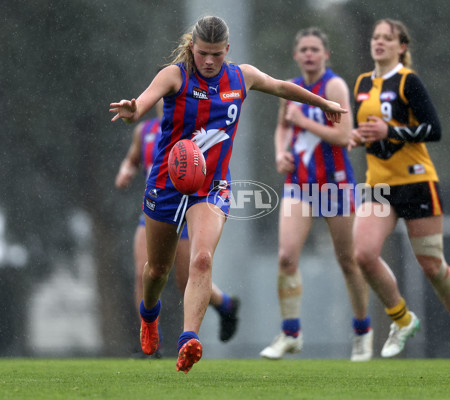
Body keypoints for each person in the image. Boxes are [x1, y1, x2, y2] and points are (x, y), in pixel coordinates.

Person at [109, 15, 347, 374]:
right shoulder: (175, 75)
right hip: (166, 183)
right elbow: (142, 104)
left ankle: (188, 339)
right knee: (157, 269)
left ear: (227, 51)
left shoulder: (241, 76)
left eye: (216, 54)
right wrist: (132, 112)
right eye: (203, 53)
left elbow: (282, 87)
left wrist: (323, 104)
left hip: (213, 185)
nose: (209, 61)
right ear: (192, 48)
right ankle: (149, 314)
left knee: (201, 260)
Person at [349, 19, 450, 362]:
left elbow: (433, 130)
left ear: (401, 47)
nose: (378, 42)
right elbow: (365, 129)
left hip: (417, 183)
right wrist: (356, 136)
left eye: (387, 38)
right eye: (375, 36)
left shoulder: (409, 81)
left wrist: (390, 132)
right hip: (379, 187)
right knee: (362, 253)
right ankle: (402, 319)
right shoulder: (362, 83)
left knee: (432, 266)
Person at [259, 27, 371, 362]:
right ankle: (290, 333)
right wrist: (280, 153)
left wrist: (303, 122)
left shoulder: (334, 86)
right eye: (303, 49)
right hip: (299, 184)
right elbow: (282, 126)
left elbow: (343, 136)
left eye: (315, 49)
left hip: (335, 185)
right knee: (286, 257)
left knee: (348, 261)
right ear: (296, 55)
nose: (309, 54)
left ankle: (363, 332)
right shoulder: (290, 89)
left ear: (326, 55)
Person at [114, 98, 240, 356]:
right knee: (146, 271)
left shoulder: (192, 130)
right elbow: (133, 159)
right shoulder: (145, 131)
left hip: (190, 207)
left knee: (187, 279)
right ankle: (148, 344)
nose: (165, 102)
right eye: (162, 97)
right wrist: (126, 170)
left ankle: (225, 305)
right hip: (159, 205)